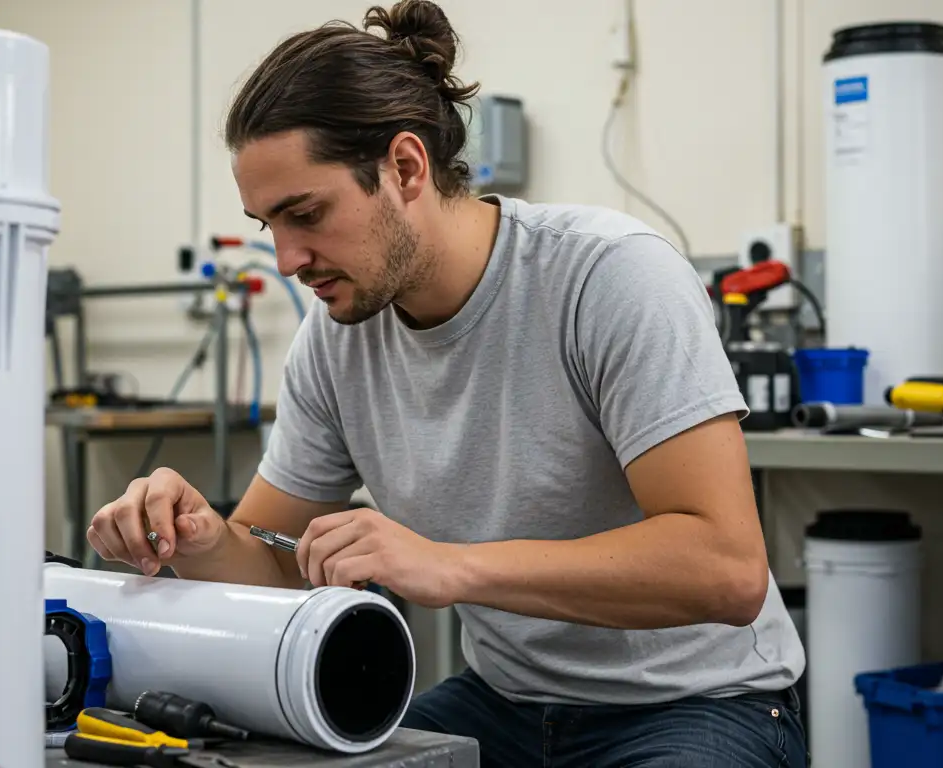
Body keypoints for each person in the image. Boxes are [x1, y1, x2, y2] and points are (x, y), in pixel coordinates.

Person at [86, 1, 807, 765]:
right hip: (505, 701)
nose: (289, 259)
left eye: (306, 213)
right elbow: (271, 563)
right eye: (271, 226)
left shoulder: (609, 276)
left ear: (404, 167)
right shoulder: (334, 343)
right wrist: (199, 536)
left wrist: (448, 563)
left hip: (698, 706)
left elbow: (724, 570)